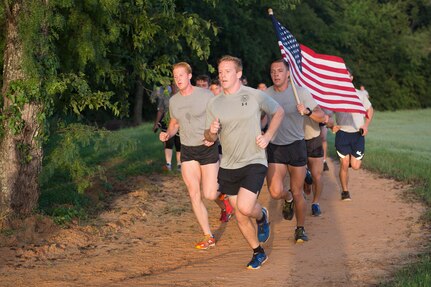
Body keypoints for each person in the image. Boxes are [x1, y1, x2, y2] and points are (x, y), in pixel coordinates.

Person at [205, 55, 284, 270]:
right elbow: (209, 138)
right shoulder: (214, 103)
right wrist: (211, 132)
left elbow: (279, 112)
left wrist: (267, 136)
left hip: (254, 160)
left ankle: (261, 215)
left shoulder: (254, 95)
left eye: (227, 71)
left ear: (238, 73)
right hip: (229, 165)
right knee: (240, 214)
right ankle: (258, 251)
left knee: (245, 206)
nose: (222, 76)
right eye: (220, 72)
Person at [159, 62, 229, 249]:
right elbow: (175, 123)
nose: (178, 79)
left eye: (181, 75)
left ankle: (224, 198)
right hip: (188, 149)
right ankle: (208, 236)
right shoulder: (174, 101)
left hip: (207, 147)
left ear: (189, 76)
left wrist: (213, 137)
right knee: (193, 192)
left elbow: (219, 118)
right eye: (175, 76)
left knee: (210, 192)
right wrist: (168, 134)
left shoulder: (205, 95)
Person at [265, 59, 323, 243]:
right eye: (273, 71)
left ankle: (300, 229)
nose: (276, 74)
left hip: (297, 145)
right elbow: (257, 118)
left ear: (288, 73)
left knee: (298, 191)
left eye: (280, 71)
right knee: (275, 192)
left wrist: (306, 112)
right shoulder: (266, 94)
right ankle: (286, 196)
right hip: (276, 147)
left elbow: (322, 115)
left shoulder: (300, 92)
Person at [327, 69, 374, 201]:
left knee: (355, 166)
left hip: (357, 134)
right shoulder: (335, 97)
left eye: (347, 76)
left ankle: (348, 160)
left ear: (351, 78)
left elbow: (370, 110)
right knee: (344, 163)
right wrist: (331, 125)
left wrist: (366, 125)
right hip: (342, 134)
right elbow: (327, 116)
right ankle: (345, 191)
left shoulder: (360, 95)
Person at [303, 107, 331, 216]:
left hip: (314, 140)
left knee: (317, 175)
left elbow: (330, 121)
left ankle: (315, 203)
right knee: (300, 174)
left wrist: (326, 119)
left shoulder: (320, 102)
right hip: (297, 140)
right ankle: (306, 178)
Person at [152, 85, 181, 171]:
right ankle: (168, 164)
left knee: (179, 143)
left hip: (180, 123)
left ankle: (180, 164)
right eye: (173, 85)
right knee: (168, 142)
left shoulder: (184, 96)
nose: (175, 86)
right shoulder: (166, 96)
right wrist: (156, 123)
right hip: (167, 121)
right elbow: (160, 110)